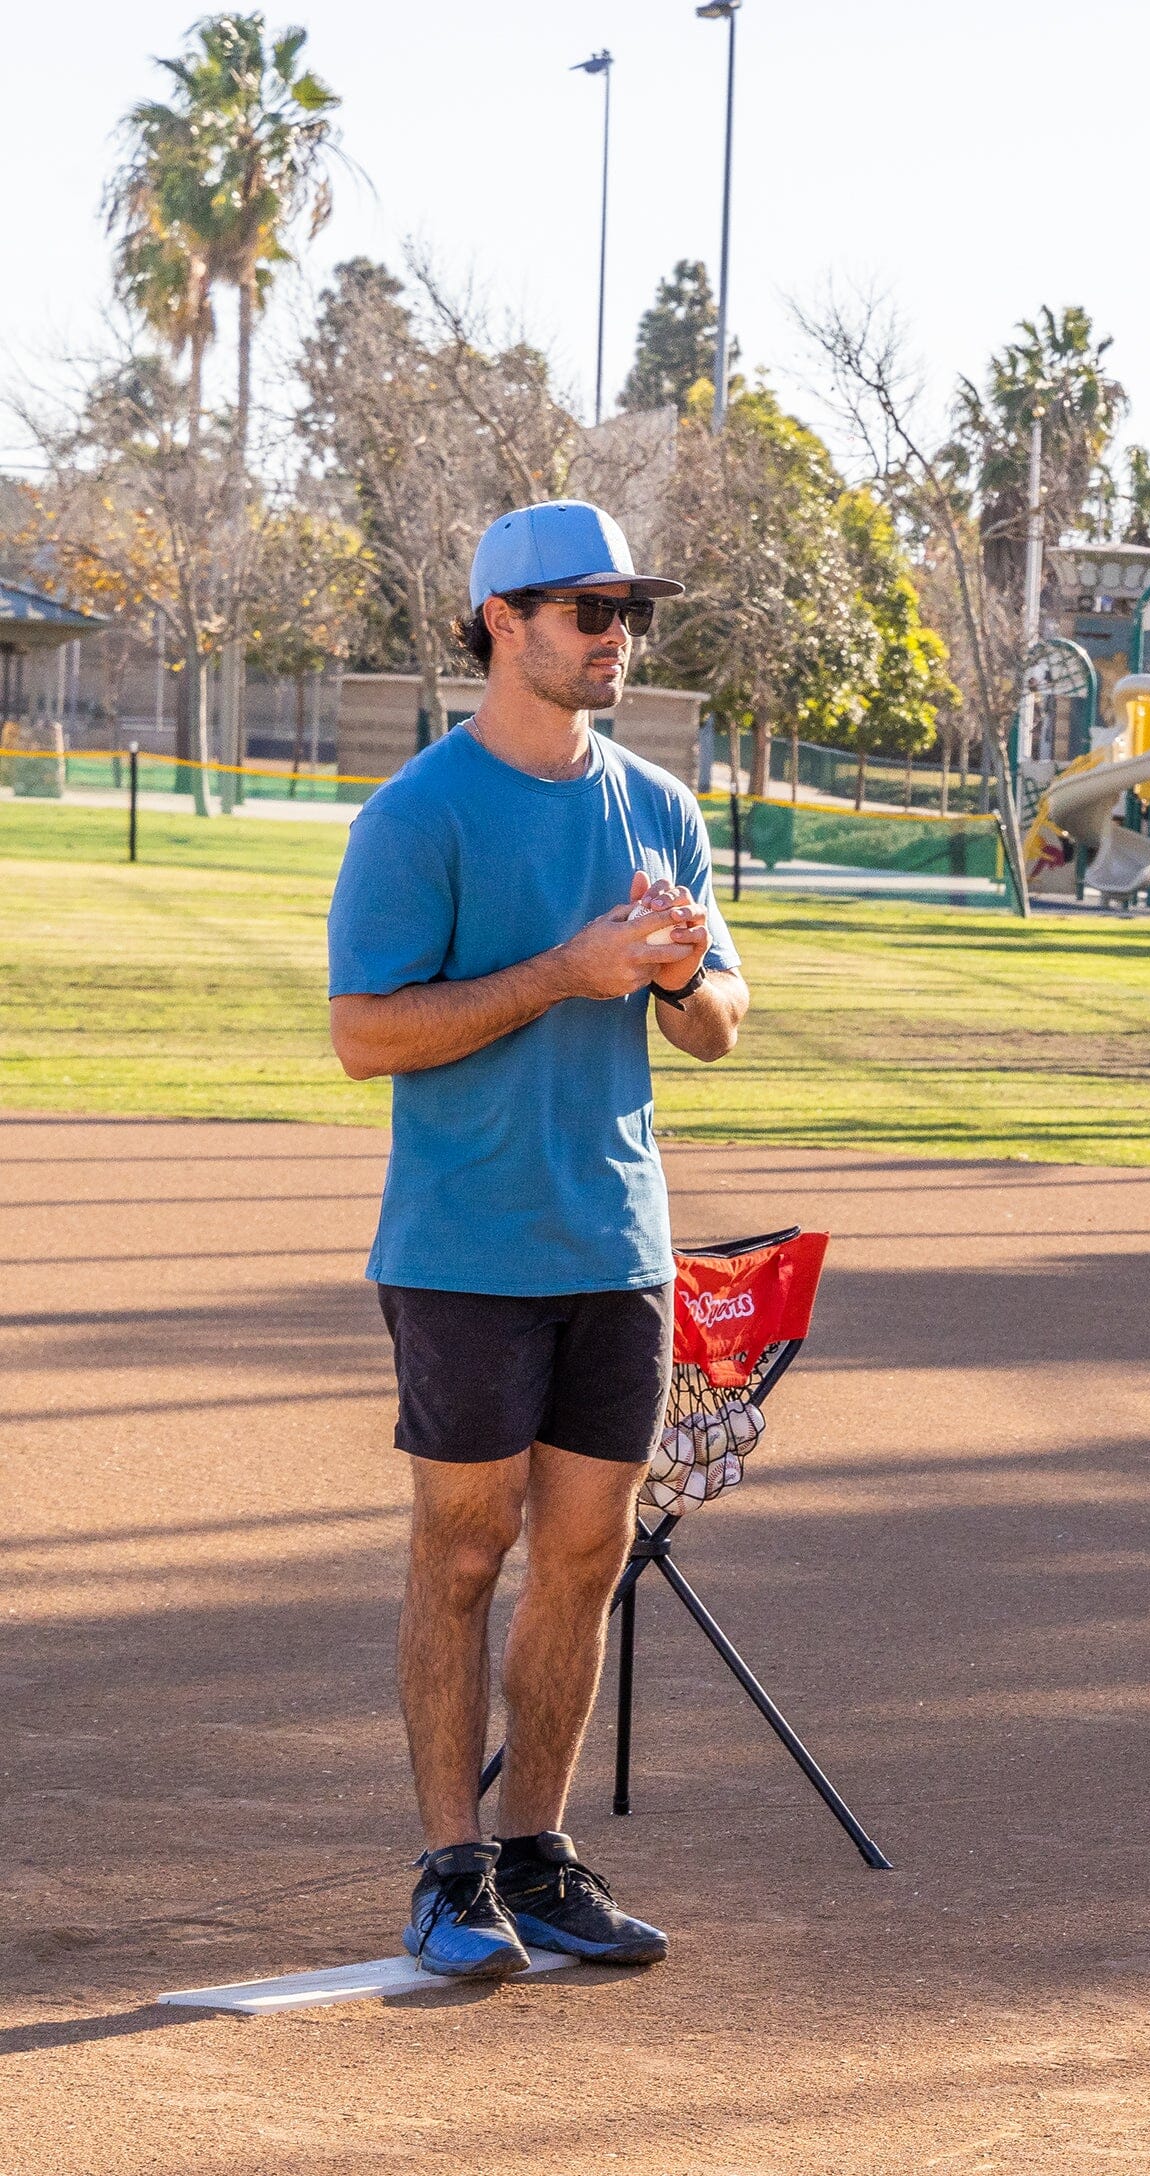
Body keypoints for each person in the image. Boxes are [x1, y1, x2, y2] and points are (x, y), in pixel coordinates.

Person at [327, 501, 748, 1983]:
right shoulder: (418, 816)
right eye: (588, 609)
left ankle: (537, 1856)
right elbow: (366, 1035)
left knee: (583, 1553)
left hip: (617, 1243)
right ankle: (450, 1872)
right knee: (462, 1552)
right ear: (501, 622)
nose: (617, 635)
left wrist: (682, 976)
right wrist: (565, 971)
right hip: (463, 1248)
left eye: (630, 611)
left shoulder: (660, 806)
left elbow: (719, 1025)